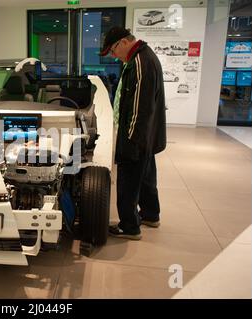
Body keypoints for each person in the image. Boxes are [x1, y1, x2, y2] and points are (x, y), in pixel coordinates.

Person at [100, 26, 167, 240]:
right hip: (146, 136)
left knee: (128, 181)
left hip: (137, 137)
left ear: (122, 43)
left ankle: (129, 226)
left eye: (112, 50)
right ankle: (150, 215)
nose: (113, 56)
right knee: (146, 177)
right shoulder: (144, 57)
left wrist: (130, 140)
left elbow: (140, 107)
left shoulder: (139, 62)